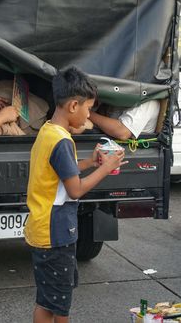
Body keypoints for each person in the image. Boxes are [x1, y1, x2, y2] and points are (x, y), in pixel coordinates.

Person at [24, 67, 126, 323]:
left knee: (52, 299)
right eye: (88, 108)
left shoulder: (49, 132)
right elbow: (75, 189)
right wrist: (106, 167)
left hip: (45, 227)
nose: (89, 114)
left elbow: (60, 174)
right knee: (54, 305)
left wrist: (89, 162)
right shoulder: (62, 141)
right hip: (55, 232)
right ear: (72, 105)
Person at [87, 100, 160, 140]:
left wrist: (87, 113)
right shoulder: (116, 93)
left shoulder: (149, 102)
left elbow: (123, 132)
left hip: (131, 151)